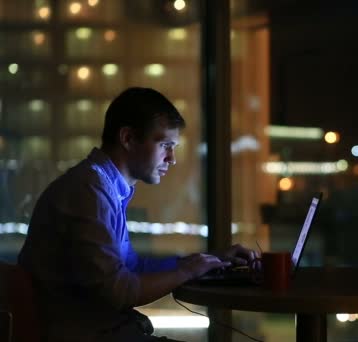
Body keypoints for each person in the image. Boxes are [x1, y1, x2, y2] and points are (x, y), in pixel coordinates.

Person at [17, 87, 258, 342]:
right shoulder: (89, 192)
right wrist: (186, 272)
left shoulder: (102, 187)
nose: (172, 158)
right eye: (165, 145)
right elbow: (120, 291)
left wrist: (207, 262)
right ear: (128, 138)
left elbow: (130, 268)